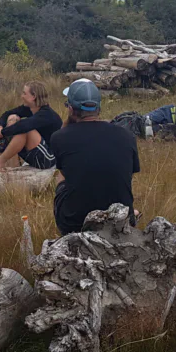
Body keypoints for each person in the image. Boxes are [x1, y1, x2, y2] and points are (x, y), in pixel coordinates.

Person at [49, 79, 141, 235]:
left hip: (74, 223)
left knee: (61, 178)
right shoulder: (126, 135)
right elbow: (128, 175)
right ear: (99, 108)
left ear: (70, 109)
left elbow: (67, 174)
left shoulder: (59, 137)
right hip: (121, 217)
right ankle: (132, 215)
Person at [0, 81, 62, 177]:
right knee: (13, 118)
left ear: (34, 96)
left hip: (49, 159)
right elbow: (7, 114)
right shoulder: (30, 109)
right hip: (35, 152)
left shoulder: (46, 114)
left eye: (24, 93)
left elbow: (24, 126)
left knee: (25, 130)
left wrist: (3, 133)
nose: (22, 96)